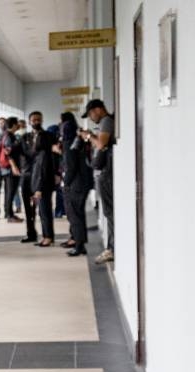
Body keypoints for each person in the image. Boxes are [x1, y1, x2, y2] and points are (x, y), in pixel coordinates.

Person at [81, 99, 115, 264]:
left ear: (98, 109)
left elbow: (101, 144)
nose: (90, 117)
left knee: (110, 212)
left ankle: (112, 249)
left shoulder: (107, 121)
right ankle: (111, 247)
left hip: (108, 173)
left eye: (90, 114)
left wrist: (88, 136)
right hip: (105, 173)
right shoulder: (104, 122)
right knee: (109, 212)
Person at [10, 111, 46, 243]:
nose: (36, 122)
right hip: (26, 175)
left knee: (42, 207)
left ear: (42, 121)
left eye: (38, 120)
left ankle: (47, 235)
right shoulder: (24, 137)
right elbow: (11, 152)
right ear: (30, 122)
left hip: (41, 176)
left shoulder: (46, 136)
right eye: (34, 120)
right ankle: (31, 233)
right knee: (28, 207)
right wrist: (14, 166)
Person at [60, 117, 93, 256]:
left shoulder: (68, 145)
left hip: (75, 185)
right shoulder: (78, 141)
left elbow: (71, 168)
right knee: (78, 215)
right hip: (83, 183)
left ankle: (79, 246)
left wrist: (65, 183)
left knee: (74, 216)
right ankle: (81, 244)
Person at [30, 125, 57, 246]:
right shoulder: (44, 153)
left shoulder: (44, 155)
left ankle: (48, 237)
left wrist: (38, 189)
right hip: (44, 186)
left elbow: (42, 173)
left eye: (37, 139)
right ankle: (47, 236)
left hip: (43, 187)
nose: (35, 141)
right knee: (44, 212)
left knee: (44, 212)